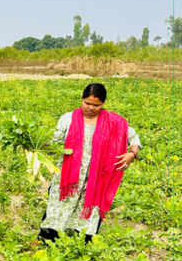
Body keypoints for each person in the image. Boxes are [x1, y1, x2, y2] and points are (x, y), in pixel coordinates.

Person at [37, 83, 142, 245]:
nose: (91, 108)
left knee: (90, 208)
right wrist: (38, 146)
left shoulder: (113, 121)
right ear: (81, 99)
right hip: (68, 177)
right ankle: (47, 240)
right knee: (58, 206)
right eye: (87, 103)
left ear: (104, 103)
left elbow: (133, 137)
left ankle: (83, 244)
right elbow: (55, 143)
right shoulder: (67, 119)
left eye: (96, 105)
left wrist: (131, 153)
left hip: (96, 178)